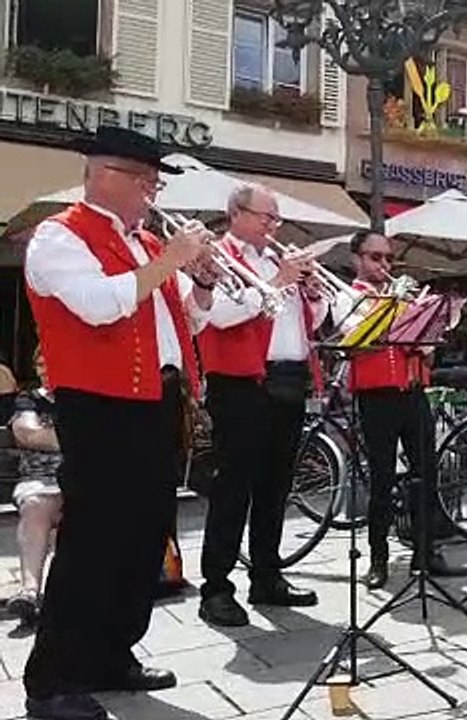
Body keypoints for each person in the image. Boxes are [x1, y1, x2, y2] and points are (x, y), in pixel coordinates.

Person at [23, 127, 215, 720]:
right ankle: (52, 679)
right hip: (100, 405)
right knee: (93, 540)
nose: (152, 195)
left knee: (143, 535)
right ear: (109, 175)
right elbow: (100, 304)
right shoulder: (58, 236)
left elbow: (193, 321)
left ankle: (112, 653)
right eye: (147, 183)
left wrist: (201, 279)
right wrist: (169, 260)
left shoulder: (141, 242)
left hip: (154, 401)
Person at [196, 184, 323, 627]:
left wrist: (310, 292)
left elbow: (312, 322)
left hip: (288, 379)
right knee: (234, 487)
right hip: (240, 384)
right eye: (267, 217)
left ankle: (267, 575)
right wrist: (279, 281)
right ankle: (216, 588)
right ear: (236, 214)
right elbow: (220, 316)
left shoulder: (274, 261)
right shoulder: (216, 256)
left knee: (276, 486)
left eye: (276, 219)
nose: (274, 227)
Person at [342, 230, 466, 588]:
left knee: (426, 473)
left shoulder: (406, 299)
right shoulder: (350, 296)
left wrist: (433, 320)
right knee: (381, 478)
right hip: (377, 396)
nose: (384, 265)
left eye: (388, 258)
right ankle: (377, 558)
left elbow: (427, 348)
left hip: (413, 392)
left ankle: (425, 553)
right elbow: (358, 340)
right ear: (357, 259)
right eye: (375, 257)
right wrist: (396, 309)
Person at [6, 347, 61, 628]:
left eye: (50, 361)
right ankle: (30, 592)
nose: (45, 369)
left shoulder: (81, 397)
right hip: (41, 481)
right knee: (36, 506)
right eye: (40, 364)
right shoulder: (30, 399)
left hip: (82, 479)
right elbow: (28, 433)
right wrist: (78, 438)